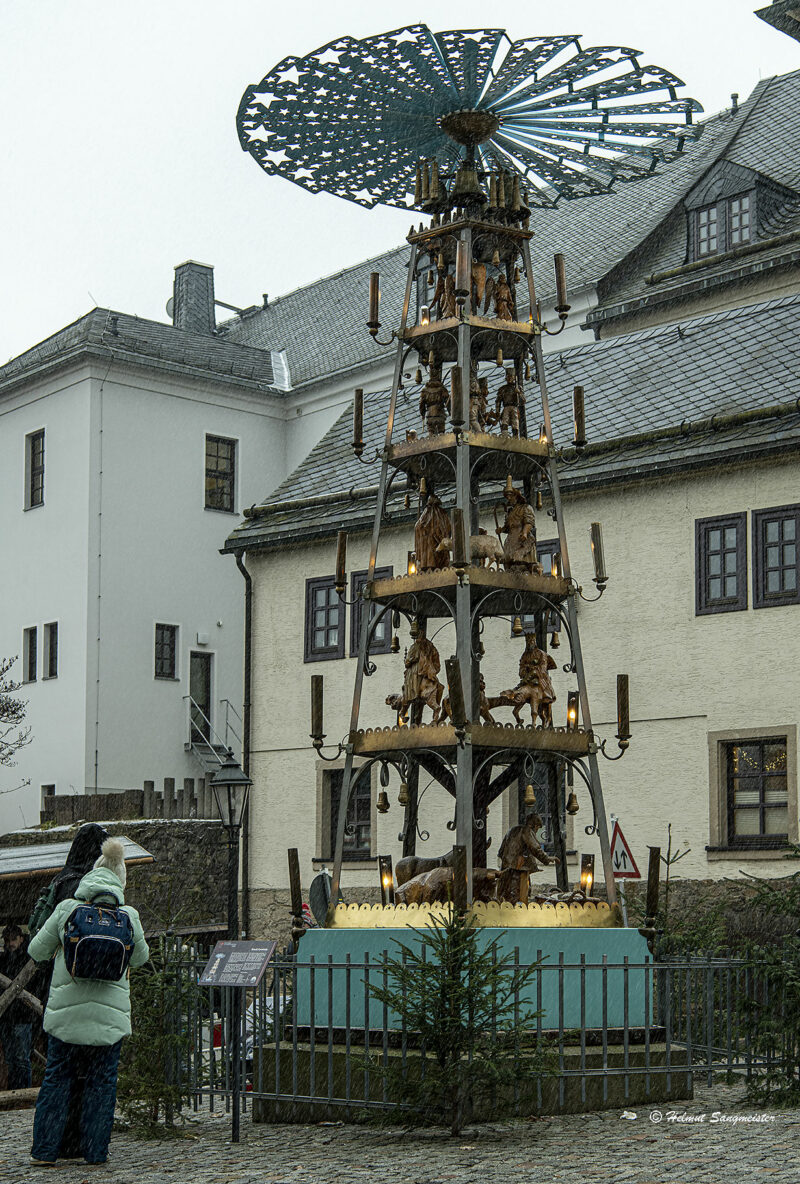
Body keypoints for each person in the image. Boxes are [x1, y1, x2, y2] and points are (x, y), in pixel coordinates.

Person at [28, 838, 149, 1167]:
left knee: (57, 1078)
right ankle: (95, 1152)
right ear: (121, 881)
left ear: (91, 877)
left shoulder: (67, 909)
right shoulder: (129, 915)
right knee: (102, 1083)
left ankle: (44, 1152)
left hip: (65, 1019)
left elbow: (35, 951)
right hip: (109, 1022)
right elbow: (140, 958)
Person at [29, 821, 108, 1160]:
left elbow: (37, 944)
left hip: (62, 991)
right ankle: (89, 1147)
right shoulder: (105, 890)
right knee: (95, 1078)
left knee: (58, 1074)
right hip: (102, 996)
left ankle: (50, 1146)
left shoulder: (60, 884)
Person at [0, 924, 33, 1090]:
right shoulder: (6, 958)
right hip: (7, 1015)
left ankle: (24, 1093)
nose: (10, 943)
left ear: (21, 938)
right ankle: (15, 1092)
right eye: (7, 940)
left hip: (23, 1015)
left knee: (22, 1059)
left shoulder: (29, 957)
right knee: (11, 1059)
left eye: (13, 939)